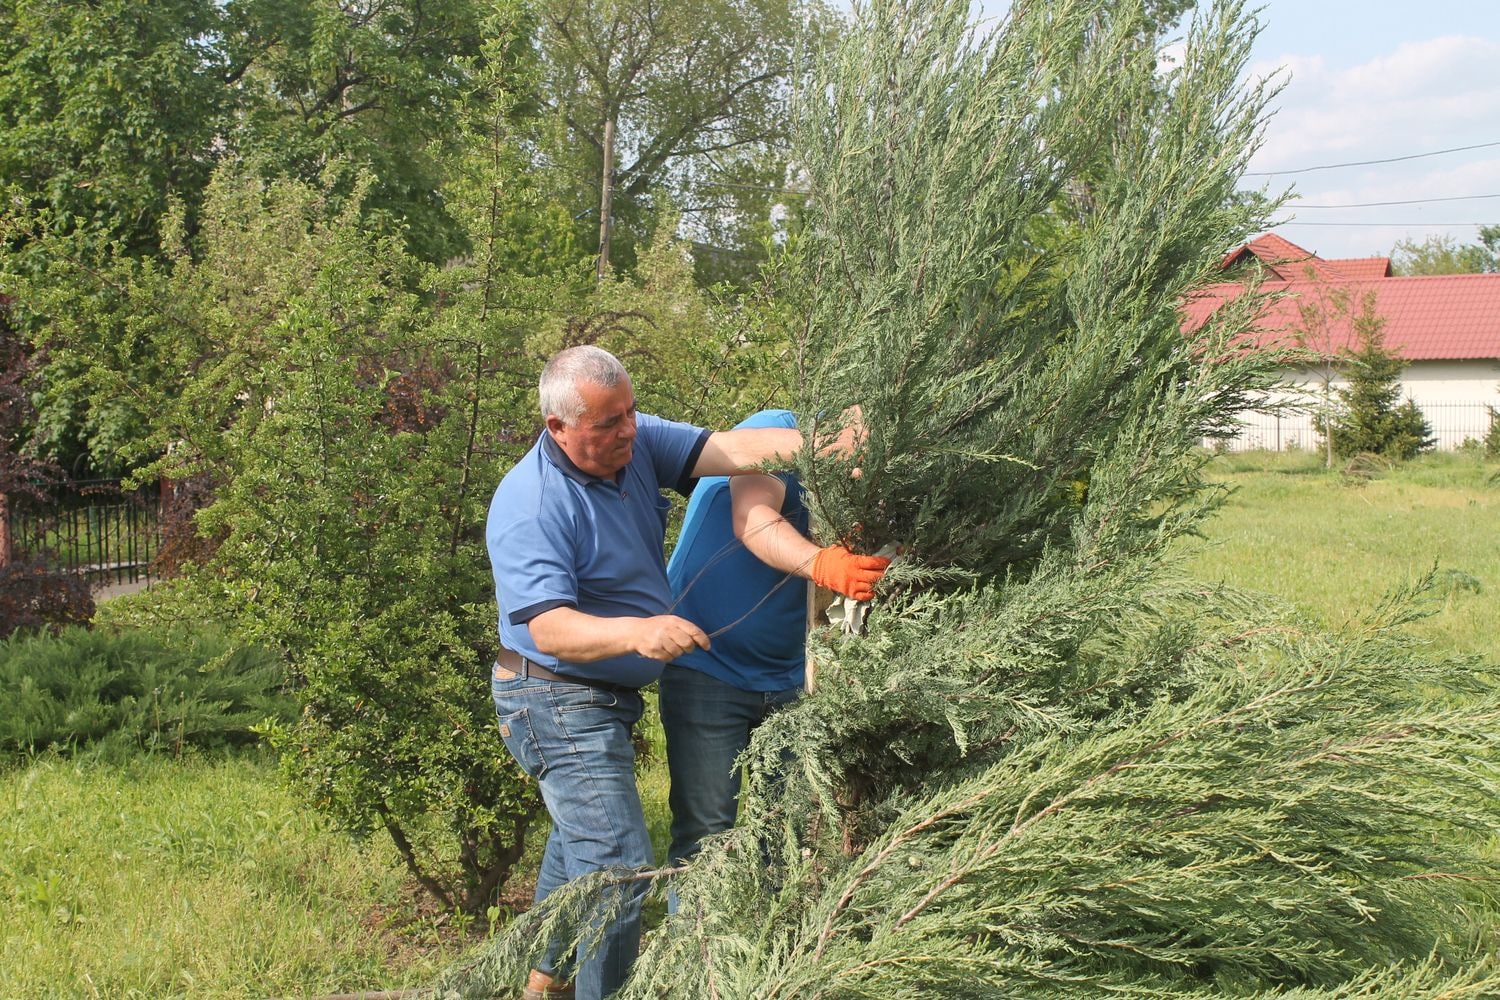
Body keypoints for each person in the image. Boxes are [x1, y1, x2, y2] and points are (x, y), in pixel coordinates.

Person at [486, 347, 827, 1000]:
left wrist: (830, 444)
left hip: (604, 695)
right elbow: (548, 628)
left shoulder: (633, 442)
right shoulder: (532, 503)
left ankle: (542, 981)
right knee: (616, 867)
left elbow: (732, 450)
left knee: (581, 841)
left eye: (631, 412)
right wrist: (638, 632)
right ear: (558, 427)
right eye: (608, 423)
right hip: (550, 694)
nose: (629, 430)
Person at [660, 408, 891, 882]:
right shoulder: (773, 432)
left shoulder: (860, 485)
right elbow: (753, 518)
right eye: (860, 449)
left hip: (788, 680)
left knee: (783, 836)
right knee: (706, 838)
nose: (862, 467)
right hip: (707, 667)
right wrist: (822, 564)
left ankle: (768, 931)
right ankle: (697, 933)